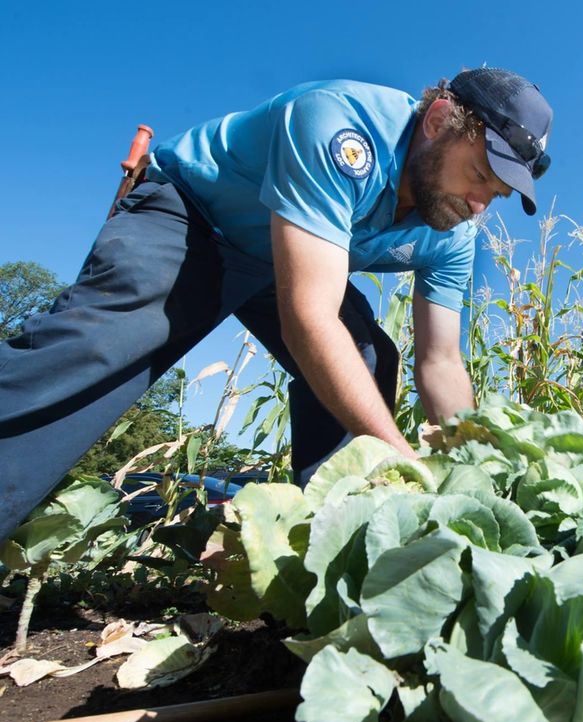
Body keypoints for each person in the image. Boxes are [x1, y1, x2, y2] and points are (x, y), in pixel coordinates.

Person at [0, 67, 553, 540]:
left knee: (367, 359)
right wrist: (400, 460)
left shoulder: (455, 229)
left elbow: (441, 362)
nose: (480, 203)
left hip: (283, 258)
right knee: (100, 349)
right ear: (436, 123)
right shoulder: (339, 122)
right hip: (195, 218)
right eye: (479, 174)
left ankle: (335, 549)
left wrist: (477, 472)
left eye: (496, 194)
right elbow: (309, 318)